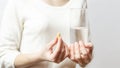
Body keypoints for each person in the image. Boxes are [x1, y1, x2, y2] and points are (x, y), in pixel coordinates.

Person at [0, 0, 93, 68]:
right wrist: (40, 56)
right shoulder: (19, 2)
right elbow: (4, 56)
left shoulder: (79, 2)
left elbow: (83, 53)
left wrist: (84, 59)